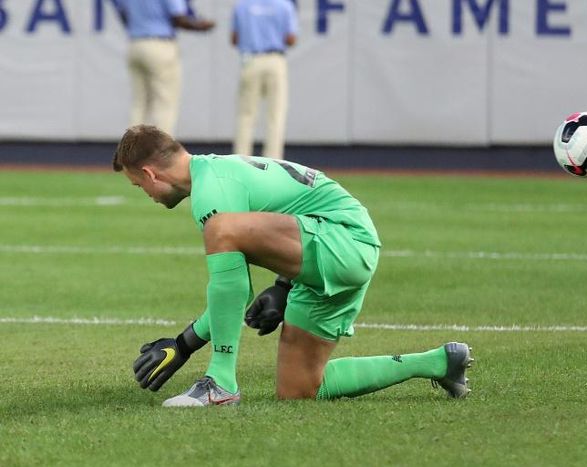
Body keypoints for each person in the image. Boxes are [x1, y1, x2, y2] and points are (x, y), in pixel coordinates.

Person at [113, 125, 474, 406]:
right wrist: (284, 286)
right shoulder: (215, 171)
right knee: (300, 389)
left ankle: (220, 384)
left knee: (221, 229)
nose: (145, 194)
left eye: (138, 185)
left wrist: (184, 344)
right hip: (335, 251)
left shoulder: (212, 191)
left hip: (342, 240)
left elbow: (237, 293)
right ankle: (439, 362)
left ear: (150, 173)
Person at [115, 0, 216, 136]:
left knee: (139, 104)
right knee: (164, 103)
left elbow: (123, 14)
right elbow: (179, 18)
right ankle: (161, 154)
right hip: (160, 44)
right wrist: (200, 26)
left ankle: (130, 153)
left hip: (135, 43)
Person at [231, 0, 298, 159]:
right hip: (275, 60)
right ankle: (274, 162)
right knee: (276, 115)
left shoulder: (242, 5)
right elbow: (291, 39)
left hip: (251, 60)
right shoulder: (284, 5)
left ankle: (241, 161)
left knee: (246, 115)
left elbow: (234, 38)